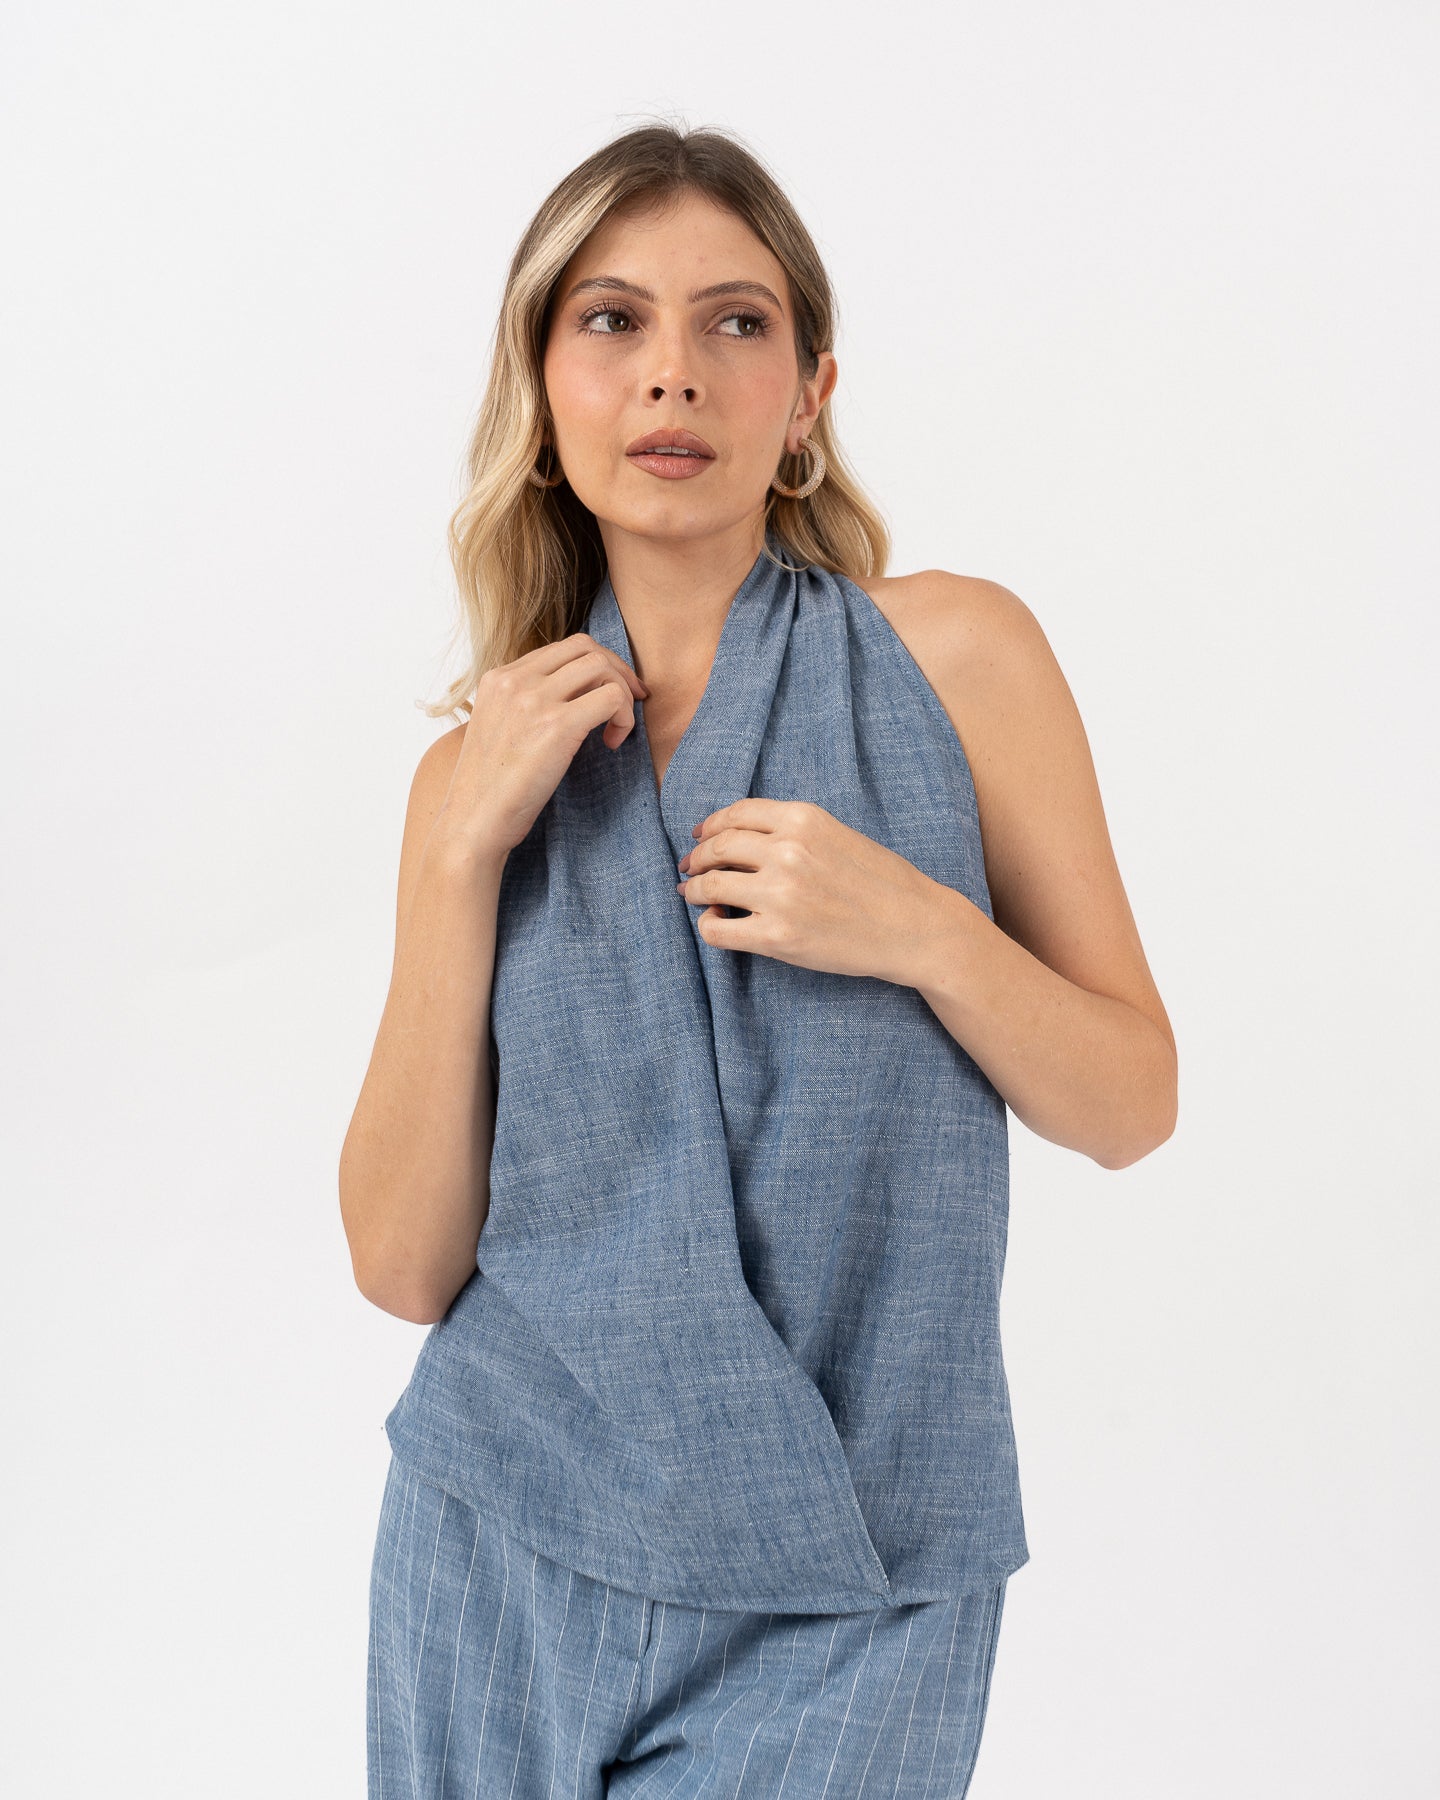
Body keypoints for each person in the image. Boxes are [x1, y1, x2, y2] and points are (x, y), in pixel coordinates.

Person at [339, 121, 1177, 1800]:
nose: (674, 374)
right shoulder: (474, 775)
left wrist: (919, 930)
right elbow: (406, 1268)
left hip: (863, 1565)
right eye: (611, 320)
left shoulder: (957, 656)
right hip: (501, 1537)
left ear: (808, 397)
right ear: (543, 391)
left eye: (736, 322)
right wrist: (454, 859)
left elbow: (1131, 1104)